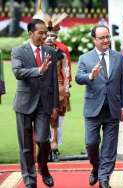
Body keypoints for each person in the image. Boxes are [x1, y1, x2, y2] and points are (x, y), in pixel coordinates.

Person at [76, 25, 123, 188]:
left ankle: (104, 177)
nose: (106, 40)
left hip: (113, 109)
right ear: (94, 39)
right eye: (102, 38)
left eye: (108, 37)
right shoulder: (85, 58)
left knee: (109, 146)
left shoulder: (119, 58)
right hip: (93, 108)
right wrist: (89, 76)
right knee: (91, 143)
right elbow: (78, 77)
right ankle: (95, 167)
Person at [11, 19, 58, 188]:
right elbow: (17, 72)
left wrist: (55, 106)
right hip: (23, 104)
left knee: (43, 140)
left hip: (44, 105)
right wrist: (38, 70)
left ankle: (43, 169)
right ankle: (30, 180)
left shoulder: (50, 52)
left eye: (46, 33)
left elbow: (53, 81)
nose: (45, 36)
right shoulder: (18, 51)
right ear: (30, 33)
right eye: (41, 33)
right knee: (25, 146)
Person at [44, 15, 71, 161]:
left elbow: (66, 73)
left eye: (53, 35)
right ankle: (45, 147)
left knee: (58, 121)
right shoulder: (38, 51)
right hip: (42, 91)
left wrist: (66, 91)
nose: (49, 38)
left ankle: (55, 148)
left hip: (59, 89)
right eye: (47, 35)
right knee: (43, 120)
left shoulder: (62, 52)